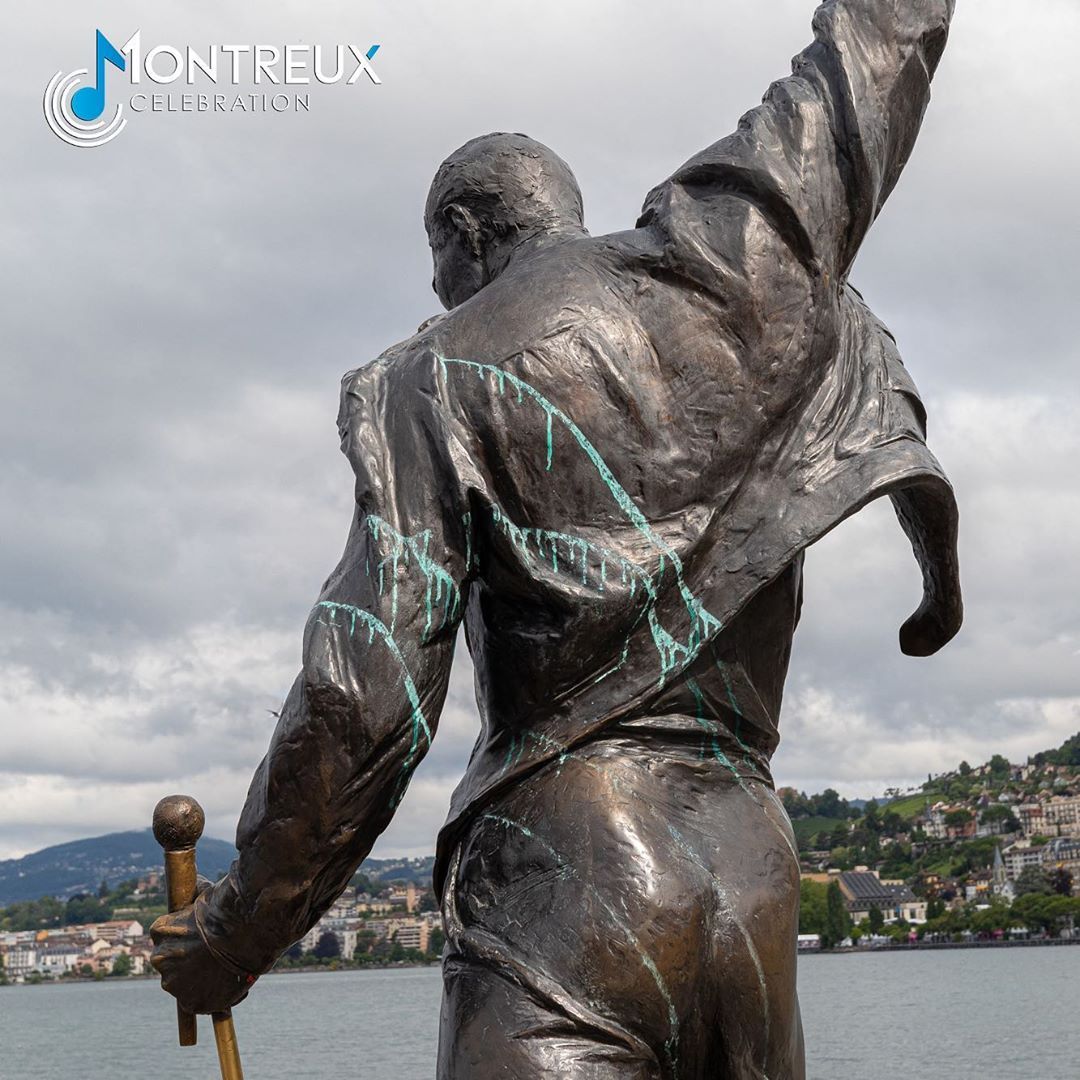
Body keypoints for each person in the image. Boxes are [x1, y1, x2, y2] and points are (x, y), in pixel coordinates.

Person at [152, 2, 961, 1076]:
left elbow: (364, 694)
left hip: (562, 882)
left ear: (466, 237)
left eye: (438, 263)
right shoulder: (758, 285)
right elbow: (868, 65)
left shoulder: (432, 374)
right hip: (752, 876)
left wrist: (235, 933)